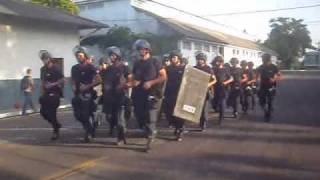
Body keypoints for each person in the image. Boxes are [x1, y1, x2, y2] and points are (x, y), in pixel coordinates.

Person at [128, 39, 167, 151]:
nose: (140, 51)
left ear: (147, 50)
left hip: (152, 93)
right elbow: (134, 77)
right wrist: (133, 82)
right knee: (139, 115)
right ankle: (148, 129)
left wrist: (151, 82)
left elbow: (163, 77)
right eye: (139, 49)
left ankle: (150, 137)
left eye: (142, 49)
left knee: (150, 116)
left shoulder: (155, 61)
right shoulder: (137, 63)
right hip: (138, 94)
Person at [101, 46, 130, 145]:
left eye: (113, 55)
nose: (111, 57)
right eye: (110, 55)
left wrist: (124, 84)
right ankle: (118, 131)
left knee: (120, 119)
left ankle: (121, 137)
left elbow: (130, 80)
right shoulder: (108, 69)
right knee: (110, 117)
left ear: (118, 56)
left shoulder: (124, 68)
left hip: (121, 96)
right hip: (109, 97)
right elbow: (103, 81)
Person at [71, 46, 101, 143]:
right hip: (77, 94)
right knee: (78, 115)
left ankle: (89, 132)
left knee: (86, 113)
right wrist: (73, 86)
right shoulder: (74, 68)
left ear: (85, 56)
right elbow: (73, 79)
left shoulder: (90, 67)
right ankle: (90, 128)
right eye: (77, 56)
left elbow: (99, 80)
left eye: (80, 55)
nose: (78, 57)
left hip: (88, 94)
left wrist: (87, 86)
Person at [38, 50, 64, 140]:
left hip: (55, 93)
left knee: (52, 113)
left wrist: (52, 84)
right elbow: (42, 82)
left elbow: (63, 80)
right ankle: (56, 124)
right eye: (43, 59)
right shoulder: (42, 69)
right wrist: (42, 93)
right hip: (46, 94)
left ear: (49, 59)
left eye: (45, 59)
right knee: (43, 112)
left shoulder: (56, 68)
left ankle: (55, 132)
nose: (44, 61)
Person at [163, 50, 186, 141]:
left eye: (174, 57)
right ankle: (176, 126)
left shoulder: (184, 68)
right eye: (171, 57)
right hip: (169, 93)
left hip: (180, 94)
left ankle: (180, 129)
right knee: (168, 113)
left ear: (179, 58)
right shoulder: (167, 68)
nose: (173, 59)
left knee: (179, 114)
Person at [194, 52, 216, 131]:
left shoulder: (208, 69)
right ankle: (200, 122)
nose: (199, 61)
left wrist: (208, 85)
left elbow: (214, 80)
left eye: (201, 59)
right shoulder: (194, 68)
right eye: (198, 59)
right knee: (197, 108)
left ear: (204, 60)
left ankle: (203, 124)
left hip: (205, 91)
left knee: (203, 109)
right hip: (195, 91)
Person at [256, 53, 281, 121]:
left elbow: (279, 76)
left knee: (270, 101)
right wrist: (257, 84)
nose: (263, 61)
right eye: (262, 59)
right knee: (261, 102)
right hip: (262, 87)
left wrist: (274, 79)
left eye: (264, 59)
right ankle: (266, 111)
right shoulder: (260, 67)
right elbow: (257, 77)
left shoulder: (274, 67)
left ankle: (268, 115)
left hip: (271, 87)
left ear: (268, 59)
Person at [212, 56, 233, 124]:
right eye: (216, 61)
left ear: (221, 62)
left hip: (224, 89)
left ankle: (221, 118)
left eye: (218, 61)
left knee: (222, 104)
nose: (216, 63)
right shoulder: (213, 69)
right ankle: (218, 110)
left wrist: (225, 82)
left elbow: (231, 78)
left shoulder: (225, 69)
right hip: (216, 89)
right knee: (215, 103)